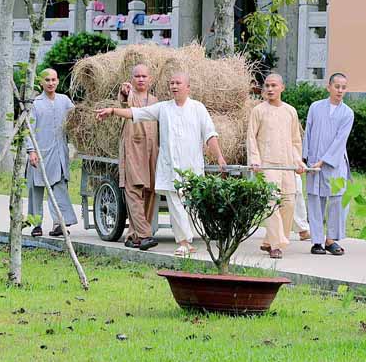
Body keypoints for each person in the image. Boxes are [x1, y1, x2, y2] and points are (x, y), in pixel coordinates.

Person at [96, 72, 227, 257]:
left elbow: (210, 134)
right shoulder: (163, 108)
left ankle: (187, 240)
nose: (174, 86)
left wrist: (219, 157)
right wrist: (112, 111)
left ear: (188, 87)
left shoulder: (198, 108)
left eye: (178, 83)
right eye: (171, 83)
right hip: (169, 167)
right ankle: (184, 243)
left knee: (190, 206)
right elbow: (136, 113)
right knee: (175, 205)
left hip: (192, 167)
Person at [247, 73, 306, 259]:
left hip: (287, 166)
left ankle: (269, 241)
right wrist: (255, 160)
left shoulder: (290, 111)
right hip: (267, 165)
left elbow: (295, 140)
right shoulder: (258, 111)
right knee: (271, 202)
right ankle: (276, 244)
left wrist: (298, 161)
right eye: (267, 86)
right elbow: (251, 137)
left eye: (273, 85)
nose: (270, 89)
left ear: (282, 88)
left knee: (288, 203)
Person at [303, 72, 354, 256]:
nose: (340, 90)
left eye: (343, 87)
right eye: (337, 86)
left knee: (336, 200)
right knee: (315, 199)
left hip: (334, 163)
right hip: (313, 161)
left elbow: (340, 140)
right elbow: (308, 132)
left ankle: (331, 239)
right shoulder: (315, 107)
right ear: (329, 87)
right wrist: (305, 158)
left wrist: (323, 161)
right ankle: (317, 241)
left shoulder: (347, 113)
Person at [25, 68, 77, 237]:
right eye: (47, 80)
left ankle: (59, 223)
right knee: (36, 189)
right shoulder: (35, 103)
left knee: (59, 187)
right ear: (41, 82)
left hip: (59, 152)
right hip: (40, 152)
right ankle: (36, 224)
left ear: (58, 81)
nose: (51, 83)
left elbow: (76, 118)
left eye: (54, 80)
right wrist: (31, 151)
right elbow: (28, 128)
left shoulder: (64, 100)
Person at [117, 64, 159, 251]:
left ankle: (133, 235)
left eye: (144, 76)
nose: (141, 79)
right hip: (133, 149)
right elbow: (123, 101)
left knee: (150, 191)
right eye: (137, 76)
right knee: (134, 191)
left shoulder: (155, 101)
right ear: (132, 79)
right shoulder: (130, 96)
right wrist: (124, 92)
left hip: (151, 150)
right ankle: (144, 234)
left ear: (150, 79)